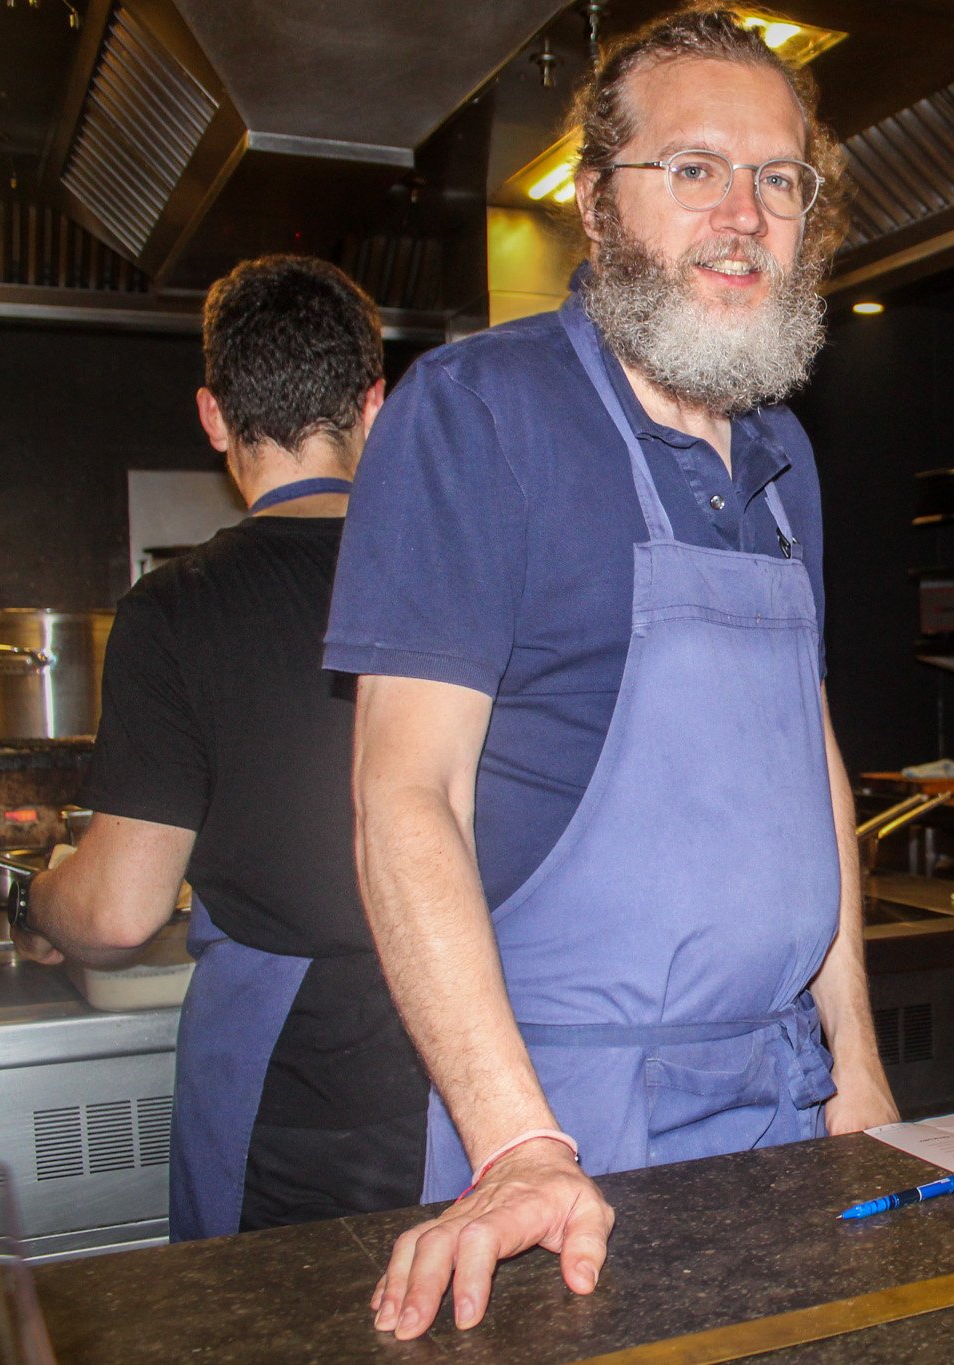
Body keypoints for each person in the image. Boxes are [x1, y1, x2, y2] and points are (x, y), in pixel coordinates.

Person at [321, 5, 897, 1340]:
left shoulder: (785, 456)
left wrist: (854, 1067)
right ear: (595, 204)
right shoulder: (477, 414)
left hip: (782, 1102)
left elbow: (806, 762)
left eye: (777, 178)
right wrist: (516, 1140)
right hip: (568, 1130)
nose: (743, 214)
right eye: (691, 170)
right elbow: (404, 795)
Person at [10, 255, 416, 1238]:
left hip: (294, 1083)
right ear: (375, 402)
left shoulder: (177, 612)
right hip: (477, 1063)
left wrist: (39, 896)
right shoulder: (462, 583)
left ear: (212, 415)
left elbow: (115, 911)